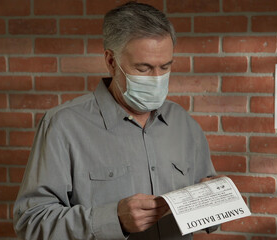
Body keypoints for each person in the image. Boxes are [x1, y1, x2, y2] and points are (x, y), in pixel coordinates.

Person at [13, 2, 217, 240]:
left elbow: (205, 205)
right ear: (111, 61)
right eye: (143, 68)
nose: (157, 78)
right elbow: (31, 223)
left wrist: (216, 196)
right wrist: (114, 220)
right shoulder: (63, 125)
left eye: (165, 67)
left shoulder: (183, 123)